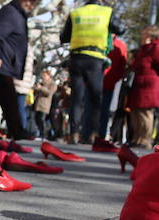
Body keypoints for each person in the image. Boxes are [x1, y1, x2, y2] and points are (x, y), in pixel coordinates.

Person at [59, 0, 125, 143]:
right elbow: (120, 29)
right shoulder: (107, 12)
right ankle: (93, 134)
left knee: (76, 98)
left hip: (76, 58)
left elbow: (63, 37)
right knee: (96, 98)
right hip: (95, 59)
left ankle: (74, 133)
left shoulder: (76, 13)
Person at [0, 0, 37, 140]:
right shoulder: (10, 13)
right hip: (1, 62)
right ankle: (16, 130)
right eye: (29, 1)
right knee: (9, 97)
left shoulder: (18, 14)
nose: (31, 5)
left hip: (7, 62)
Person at [127, 24, 159, 148]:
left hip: (150, 85)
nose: (141, 35)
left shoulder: (158, 48)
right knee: (136, 112)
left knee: (146, 113)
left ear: (150, 34)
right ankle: (137, 137)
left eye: (144, 32)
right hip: (139, 84)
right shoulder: (144, 49)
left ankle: (145, 139)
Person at [98, 34, 127, 139]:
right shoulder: (99, 39)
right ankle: (88, 133)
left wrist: (115, 79)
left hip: (109, 83)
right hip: (94, 81)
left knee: (105, 109)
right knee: (91, 108)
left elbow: (122, 65)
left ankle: (101, 134)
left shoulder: (121, 45)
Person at [32, 70, 57, 139]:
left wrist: (41, 88)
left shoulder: (52, 84)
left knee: (41, 119)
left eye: (45, 75)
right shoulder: (41, 83)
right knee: (36, 119)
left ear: (49, 76)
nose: (43, 77)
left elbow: (49, 93)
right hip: (37, 104)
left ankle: (43, 134)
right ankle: (40, 133)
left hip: (45, 104)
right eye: (42, 75)